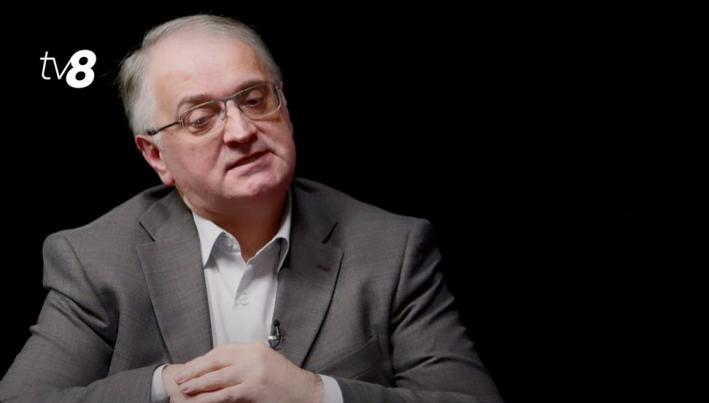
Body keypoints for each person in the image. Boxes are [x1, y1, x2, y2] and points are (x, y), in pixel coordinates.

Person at [0, 14, 501, 403]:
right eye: (200, 118)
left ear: (285, 107)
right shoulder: (95, 258)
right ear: (156, 156)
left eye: (255, 99)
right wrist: (168, 387)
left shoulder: (393, 248)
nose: (241, 132)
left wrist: (315, 394)